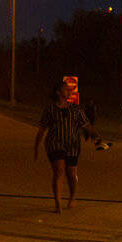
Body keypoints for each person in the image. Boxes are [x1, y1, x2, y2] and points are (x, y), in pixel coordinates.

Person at [33, 81, 96, 212]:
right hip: (55, 143)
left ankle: (72, 196)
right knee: (59, 170)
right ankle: (58, 204)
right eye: (67, 90)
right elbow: (42, 129)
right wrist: (36, 146)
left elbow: (86, 125)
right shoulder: (50, 109)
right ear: (59, 92)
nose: (70, 92)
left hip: (72, 145)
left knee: (71, 174)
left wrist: (97, 137)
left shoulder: (76, 109)